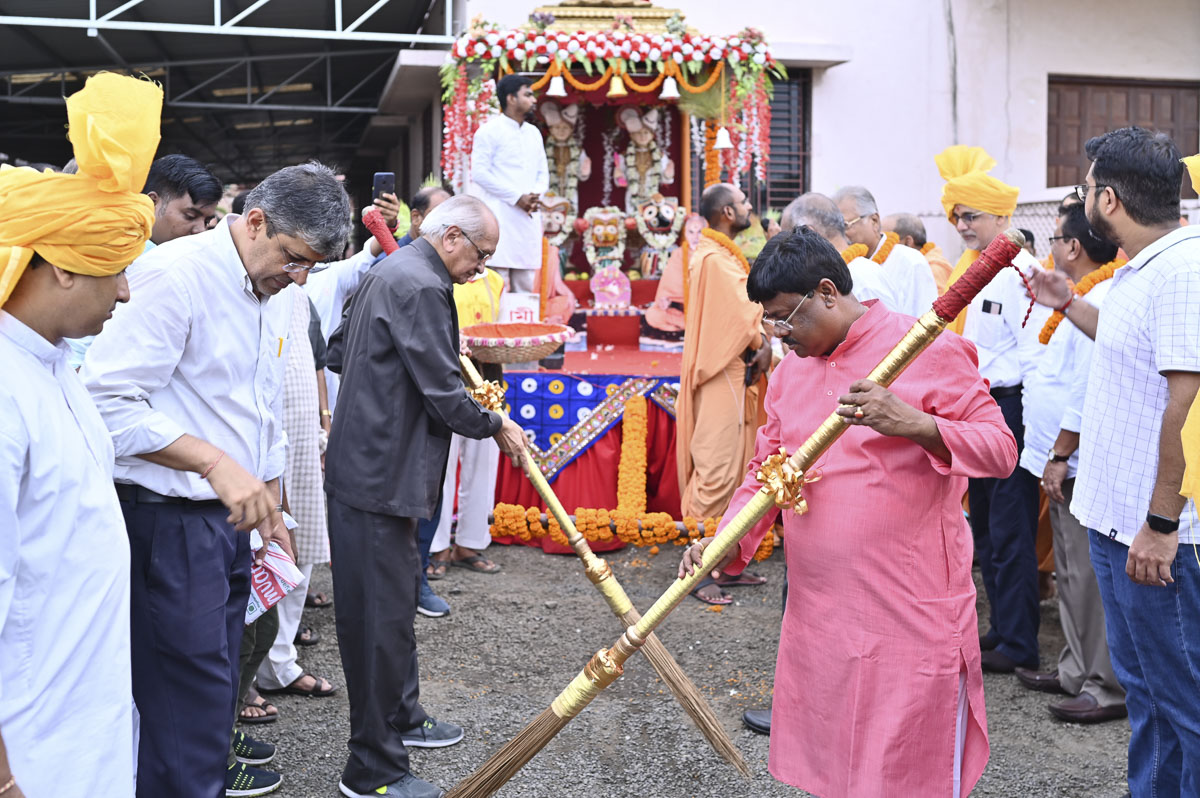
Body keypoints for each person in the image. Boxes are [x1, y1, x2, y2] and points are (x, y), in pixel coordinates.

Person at [680, 226, 1017, 798]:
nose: (779, 336)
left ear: (829, 292)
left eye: (787, 318)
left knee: (907, 769)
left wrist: (912, 422)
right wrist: (725, 543)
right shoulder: (790, 374)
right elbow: (768, 473)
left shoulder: (926, 348)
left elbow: (1001, 450)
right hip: (821, 615)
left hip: (909, 611)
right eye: (769, 322)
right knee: (833, 764)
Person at [83, 161, 350, 798]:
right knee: (183, 693)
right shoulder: (176, 277)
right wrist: (211, 461)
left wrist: (276, 513)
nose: (299, 279)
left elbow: (258, 410)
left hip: (231, 521)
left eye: (310, 267)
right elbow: (106, 404)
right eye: (293, 259)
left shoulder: (268, 287)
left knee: (215, 686)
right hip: (169, 519)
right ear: (254, 221)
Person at [324, 194, 527, 798]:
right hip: (380, 478)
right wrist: (498, 424)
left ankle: (403, 718)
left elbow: (339, 347)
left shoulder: (394, 269)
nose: (481, 270)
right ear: (453, 238)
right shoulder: (420, 285)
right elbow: (444, 396)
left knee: (390, 612)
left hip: (373, 468)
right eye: (482, 255)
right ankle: (373, 770)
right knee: (378, 624)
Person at [0, 71, 159, 798]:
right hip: (31, 744)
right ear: (62, 266)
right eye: (117, 269)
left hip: (84, 707)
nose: (126, 291)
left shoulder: (55, 364)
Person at [1029, 128, 1200, 797]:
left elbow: (1186, 406)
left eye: (1086, 187)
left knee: (1182, 702)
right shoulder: (1147, 265)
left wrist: (1161, 521)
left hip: (1154, 533)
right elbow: (1134, 350)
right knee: (1150, 694)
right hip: (1116, 517)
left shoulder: (1184, 271)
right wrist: (1069, 303)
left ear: (1108, 197)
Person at [936, 144, 1049, 673]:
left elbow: (1032, 356)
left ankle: (1020, 642)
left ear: (1002, 217)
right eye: (957, 215)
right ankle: (1001, 628)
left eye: (971, 215)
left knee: (1010, 531)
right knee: (984, 528)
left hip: (1011, 408)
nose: (962, 224)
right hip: (977, 408)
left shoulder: (1022, 271)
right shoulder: (977, 267)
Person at [1014, 203, 1126, 724]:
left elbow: (1084, 390)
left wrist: (1061, 454)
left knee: (1085, 574)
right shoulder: (1082, 298)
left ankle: (1104, 686)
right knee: (1070, 572)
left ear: (1074, 248)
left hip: (1075, 461)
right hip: (1058, 458)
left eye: (1057, 238)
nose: (1052, 247)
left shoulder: (1098, 300)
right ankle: (1073, 669)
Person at [676, 183, 772, 605]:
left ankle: (723, 562)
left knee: (736, 471)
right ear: (728, 213)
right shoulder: (715, 260)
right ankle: (695, 574)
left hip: (735, 370)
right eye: (745, 203)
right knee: (715, 470)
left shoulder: (720, 255)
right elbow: (744, 312)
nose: (752, 206)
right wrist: (766, 338)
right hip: (721, 369)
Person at [66, 153, 222, 369]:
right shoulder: (114, 255)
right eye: (189, 215)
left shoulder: (182, 264)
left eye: (206, 221)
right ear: (152, 203)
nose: (199, 230)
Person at [427, 266, 507, 580]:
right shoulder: (437, 276)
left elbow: (503, 333)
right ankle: (437, 546)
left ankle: (470, 544)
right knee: (442, 466)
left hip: (487, 384)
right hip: (444, 384)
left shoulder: (497, 281)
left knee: (483, 465)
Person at [303, 188, 403, 412]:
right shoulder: (263, 279)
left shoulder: (329, 274)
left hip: (325, 401)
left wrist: (386, 224)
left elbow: (370, 252)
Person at [468, 74, 549, 293]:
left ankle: (524, 327)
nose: (533, 100)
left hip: (527, 216)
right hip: (499, 216)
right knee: (497, 283)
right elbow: (480, 173)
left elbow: (543, 175)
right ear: (511, 98)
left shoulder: (533, 134)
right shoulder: (488, 131)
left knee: (525, 284)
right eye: (528, 95)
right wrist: (516, 197)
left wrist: (533, 197)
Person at [780, 192, 898, 310]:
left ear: (809, 233)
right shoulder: (844, 272)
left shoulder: (860, 276)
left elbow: (883, 327)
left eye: (789, 241)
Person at [832, 185, 937, 316]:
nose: (841, 234)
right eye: (836, 228)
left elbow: (926, 318)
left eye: (845, 225)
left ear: (874, 221)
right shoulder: (845, 266)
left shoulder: (910, 261)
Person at [882, 212, 953, 294]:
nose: (882, 245)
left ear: (908, 242)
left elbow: (937, 305)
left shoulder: (933, 268)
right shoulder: (902, 266)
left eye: (887, 240)